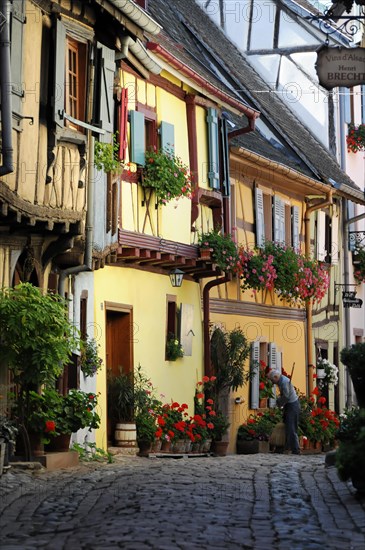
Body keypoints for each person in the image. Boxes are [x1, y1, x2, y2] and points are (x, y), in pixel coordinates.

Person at [267, 369, 301, 455]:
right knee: (287, 426)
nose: (272, 382)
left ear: (276, 377)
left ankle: (295, 449)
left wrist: (278, 402)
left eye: (272, 380)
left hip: (292, 405)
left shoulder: (284, 382)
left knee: (291, 427)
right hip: (289, 405)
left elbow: (286, 397)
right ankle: (284, 447)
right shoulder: (281, 381)